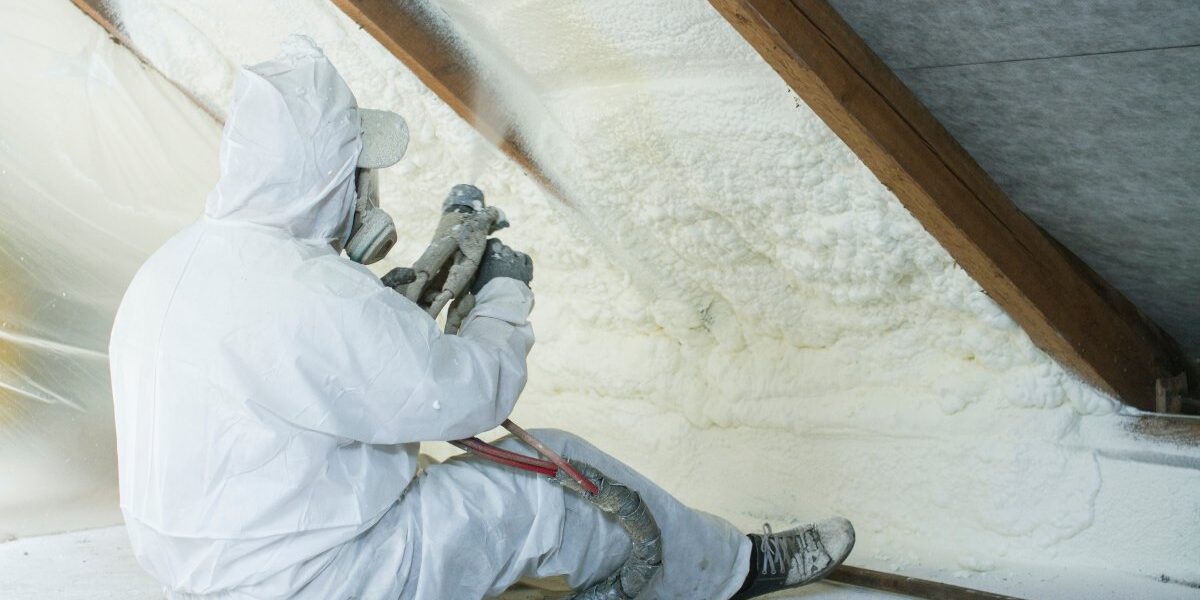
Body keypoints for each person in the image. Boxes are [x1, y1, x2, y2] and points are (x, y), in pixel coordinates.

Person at [109, 36, 854, 600]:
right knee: (551, 476)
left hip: (198, 570)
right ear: (328, 177)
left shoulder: (173, 267)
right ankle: (736, 570)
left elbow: (296, 377)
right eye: (357, 171)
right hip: (312, 580)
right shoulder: (316, 296)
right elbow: (469, 398)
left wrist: (394, 307)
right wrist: (503, 297)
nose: (365, 190)